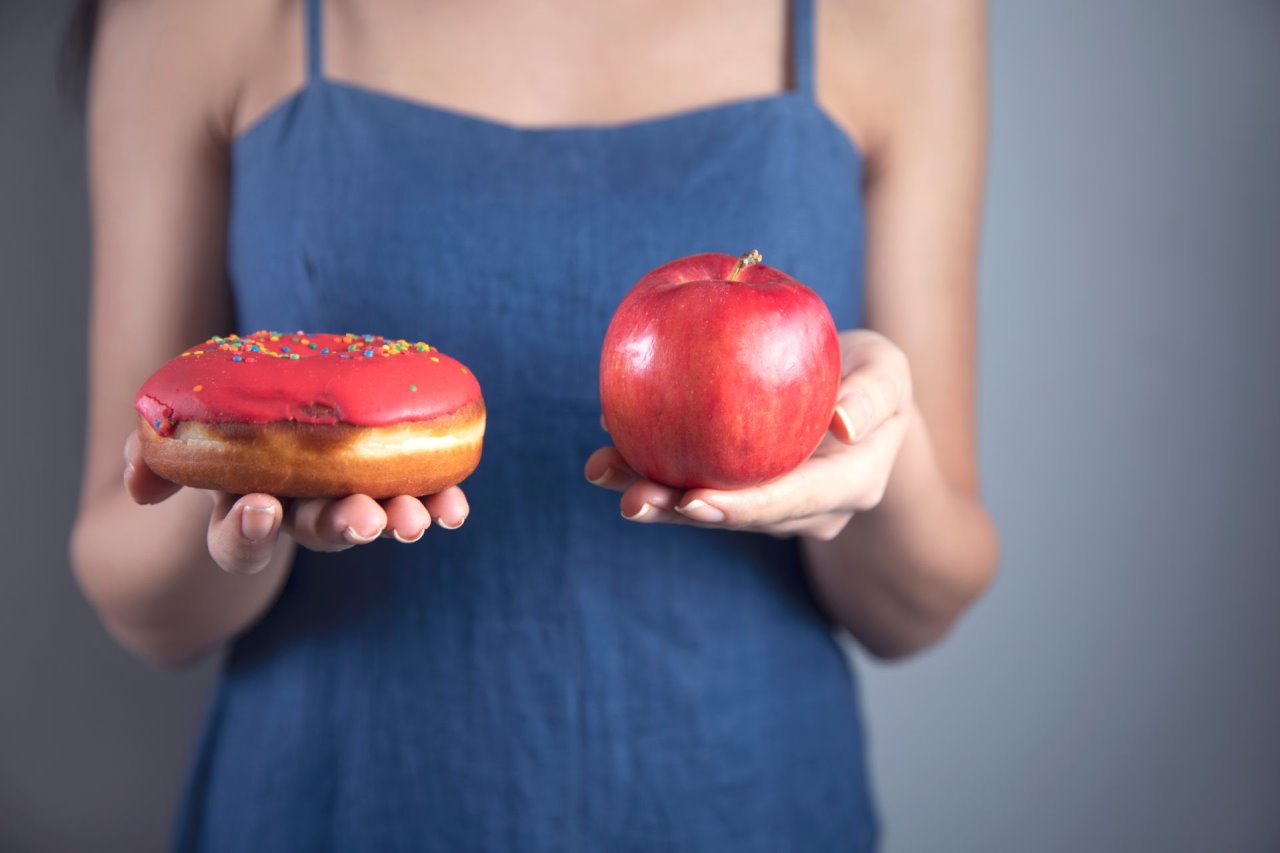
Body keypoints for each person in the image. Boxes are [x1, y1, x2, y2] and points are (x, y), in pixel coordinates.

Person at [69, 0, 998, 849]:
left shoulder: (899, 17)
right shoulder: (192, 18)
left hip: (743, 801)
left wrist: (878, 448)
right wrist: (240, 528)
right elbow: (139, 598)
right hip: (335, 802)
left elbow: (920, 604)